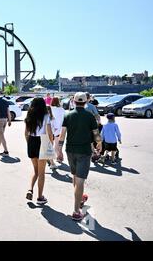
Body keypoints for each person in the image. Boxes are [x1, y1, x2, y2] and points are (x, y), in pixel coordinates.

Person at [56, 92, 102, 221]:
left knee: (75, 176)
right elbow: (96, 133)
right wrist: (99, 143)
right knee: (80, 180)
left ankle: (80, 198)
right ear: (86, 102)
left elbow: (62, 134)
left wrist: (59, 151)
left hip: (70, 150)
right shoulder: (90, 116)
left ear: (74, 102)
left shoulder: (68, 115)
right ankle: (76, 211)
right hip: (84, 151)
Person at [24, 97, 53, 205]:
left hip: (31, 141)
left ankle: (30, 189)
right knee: (41, 173)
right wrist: (50, 145)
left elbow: (25, 133)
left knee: (35, 170)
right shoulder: (46, 116)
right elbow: (49, 133)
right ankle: (40, 197)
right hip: (42, 141)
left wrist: (29, 143)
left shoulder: (29, 116)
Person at [0, 90, 12, 156]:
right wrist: (9, 120)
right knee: (1, 135)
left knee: (1, 135)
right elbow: (8, 112)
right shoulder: (5, 101)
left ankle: (6, 151)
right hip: (5, 120)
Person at [50, 97, 66, 165]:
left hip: (50, 129)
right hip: (59, 129)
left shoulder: (50, 109)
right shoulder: (62, 109)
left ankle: (51, 159)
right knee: (57, 145)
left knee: (50, 145)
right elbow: (64, 119)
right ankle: (59, 157)